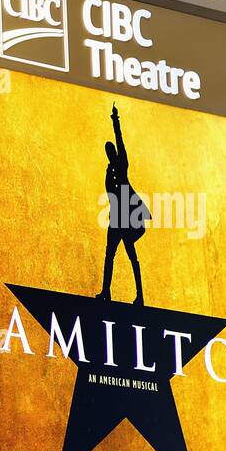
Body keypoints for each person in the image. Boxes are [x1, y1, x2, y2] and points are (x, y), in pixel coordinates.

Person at [96, 104, 149, 305]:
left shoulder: (122, 164)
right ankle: (105, 291)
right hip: (116, 218)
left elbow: (120, 139)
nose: (110, 153)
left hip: (126, 218)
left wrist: (115, 121)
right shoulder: (109, 172)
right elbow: (110, 195)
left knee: (132, 257)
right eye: (107, 151)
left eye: (111, 150)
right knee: (109, 255)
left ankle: (140, 295)